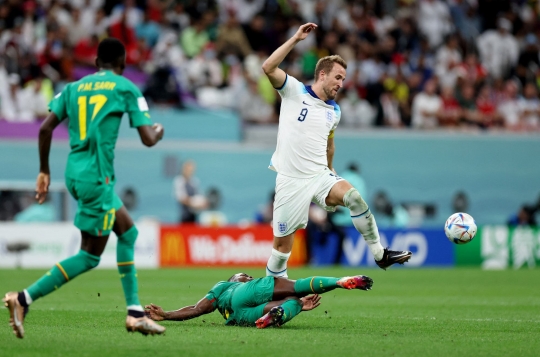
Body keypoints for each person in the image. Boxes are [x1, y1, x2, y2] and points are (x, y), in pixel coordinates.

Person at [3, 38, 165, 339]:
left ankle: (134, 312)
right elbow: (146, 138)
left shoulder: (74, 87)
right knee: (90, 256)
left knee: (128, 232)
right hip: (97, 179)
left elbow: (45, 127)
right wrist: (158, 131)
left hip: (76, 174)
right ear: (123, 64)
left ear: (95, 64)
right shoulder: (125, 87)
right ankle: (23, 298)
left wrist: (43, 170)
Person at [261, 23, 412, 279]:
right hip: (290, 180)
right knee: (281, 251)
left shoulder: (335, 111)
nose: (341, 84)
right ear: (322, 75)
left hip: (319, 175)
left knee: (353, 197)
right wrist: (296, 38)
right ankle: (273, 294)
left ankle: (380, 254)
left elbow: (329, 143)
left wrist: (331, 169)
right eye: (338, 77)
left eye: (344, 79)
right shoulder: (294, 91)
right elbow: (268, 67)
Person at [144, 272, 373, 328]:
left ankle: (280, 314)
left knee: (294, 300)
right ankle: (339, 281)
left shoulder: (220, 294)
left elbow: (197, 309)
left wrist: (166, 315)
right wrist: (244, 283)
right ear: (235, 278)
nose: (249, 276)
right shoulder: (230, 285)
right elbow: (196, 308)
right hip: (244, 295)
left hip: (240, 316)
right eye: (245, 275)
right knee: (294, 287)